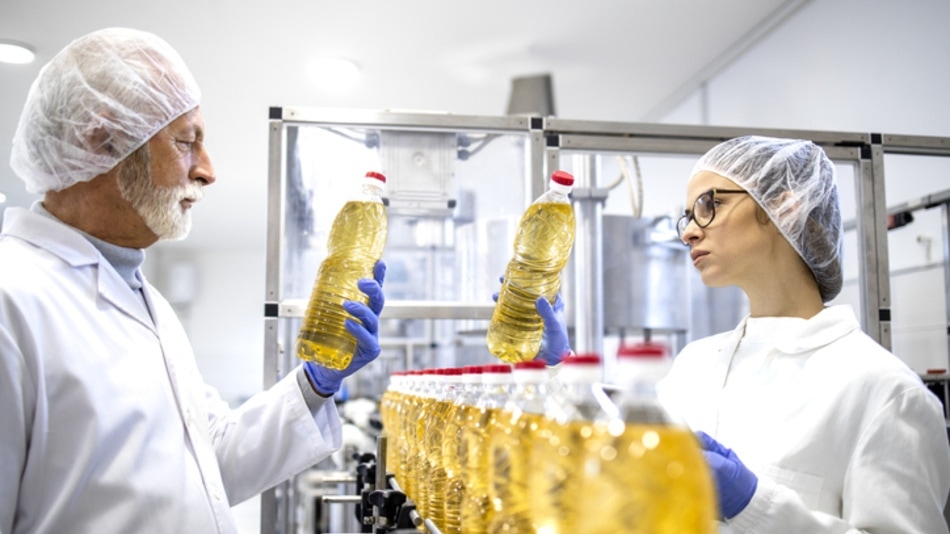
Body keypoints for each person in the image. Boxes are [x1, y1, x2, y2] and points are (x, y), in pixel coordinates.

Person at [0, 28, 385, 533]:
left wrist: (316, 383)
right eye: (186, 142)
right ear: (102, 139)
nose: (207, 171)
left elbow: (209, 462)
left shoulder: (146, 303)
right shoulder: (13, 301)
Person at [656, 136, 950, 532]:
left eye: (711, 205)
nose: (689, 231)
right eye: (688, 215)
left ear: (785, 206)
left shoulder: (885, 393)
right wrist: (554, 372)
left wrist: (755, 505)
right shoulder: (694, 364)